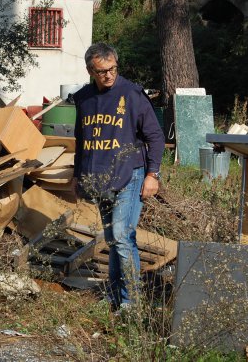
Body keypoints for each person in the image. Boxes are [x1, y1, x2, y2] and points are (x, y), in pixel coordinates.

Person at [73, 42, 164, 310]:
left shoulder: (133, 94)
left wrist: (152, 174)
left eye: (112, 69)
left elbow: (155, 137)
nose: (109, 75)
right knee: (113, 239)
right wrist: (78, 175)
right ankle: (113, 295)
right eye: (102, 71)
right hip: (99, 180)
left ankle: (130, 303)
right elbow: (82, 139)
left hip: (130, 175)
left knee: (123, 236)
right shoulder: (84, 98)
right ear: (90, 70)